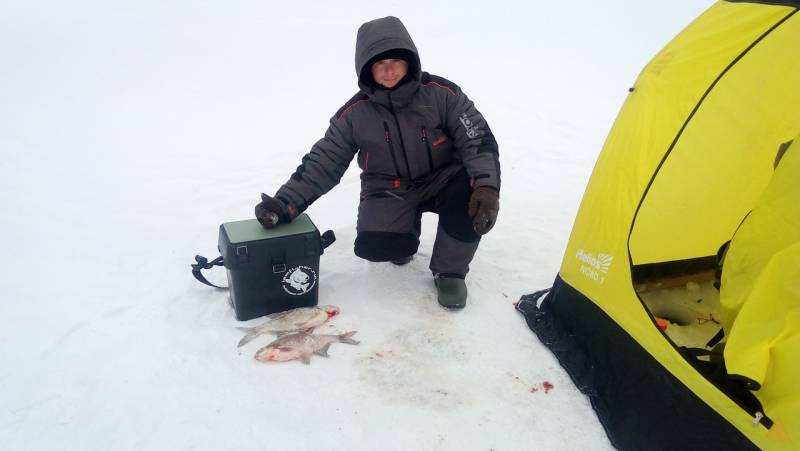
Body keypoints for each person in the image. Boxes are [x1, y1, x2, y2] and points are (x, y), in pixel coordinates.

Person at [254, 16, 500, 309]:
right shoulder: (354, 115)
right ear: (366, 69)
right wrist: (285, 204)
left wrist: (487, 186)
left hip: (445, 178)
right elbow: (324, 161)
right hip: (391, 186)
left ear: (410, 61)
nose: (389, 70)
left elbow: (477, 140)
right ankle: (404, 235)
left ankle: (450, 272)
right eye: (379, 64)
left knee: (467, 200)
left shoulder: (442, 94)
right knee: (379, 246)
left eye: (396, 61)